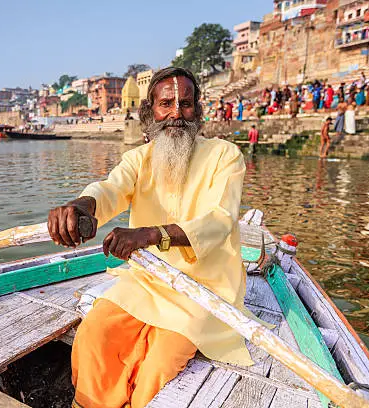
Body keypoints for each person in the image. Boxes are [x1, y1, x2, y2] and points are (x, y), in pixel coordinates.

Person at [48, 67, 259, 408]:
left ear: (198, 111)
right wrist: (78, 208)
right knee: (92, 338)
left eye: (186, 104)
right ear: (150, 112)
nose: (177, 113)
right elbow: (109, 190)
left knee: (155, 372)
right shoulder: (138, 159)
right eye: (166, 104)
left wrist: (149, 235)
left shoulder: (225, 156)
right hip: (146, 282)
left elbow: (219, 220)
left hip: (201, 289)